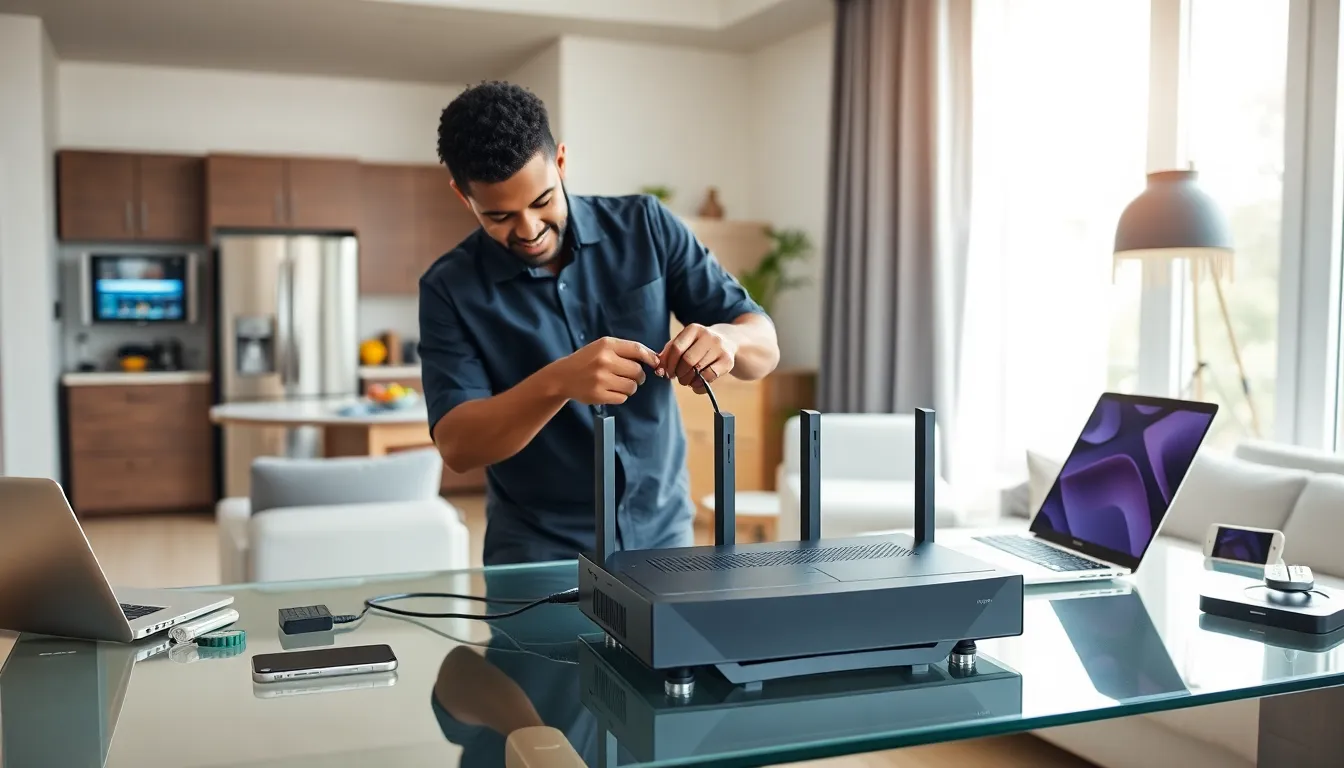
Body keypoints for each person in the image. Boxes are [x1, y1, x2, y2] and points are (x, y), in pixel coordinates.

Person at [419, 81, 779, 565]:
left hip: (663, 535)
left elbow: (764, 346)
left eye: (543, 200)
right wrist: (558, 382)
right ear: (464, 198)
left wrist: (730, 340)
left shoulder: (646, 226)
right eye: (499, 216)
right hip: (538, 554)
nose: (528, 230)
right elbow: (458, 446)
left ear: (561, 163)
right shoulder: (448, 288)